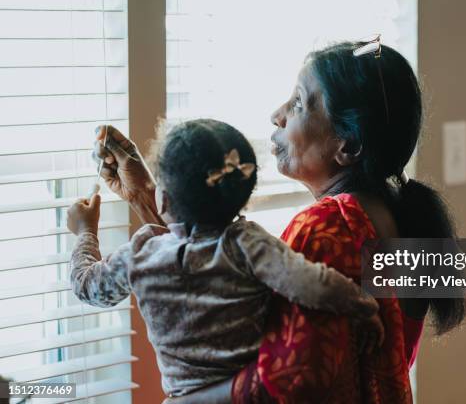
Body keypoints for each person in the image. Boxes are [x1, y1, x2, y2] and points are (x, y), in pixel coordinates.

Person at [94, 39, 466, 403]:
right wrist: (149, 195)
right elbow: (209, 276)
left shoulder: (327, 229)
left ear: (348, 146)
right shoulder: (393, 214)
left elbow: (283, 380)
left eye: (300, 103)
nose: (278, 113)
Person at [67, 119, 384, 398]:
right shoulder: (247, 245)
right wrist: (364, 307)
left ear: (162, 197)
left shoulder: (140, 255)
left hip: (188, 394)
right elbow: (315, 285)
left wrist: (85, 232)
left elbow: (87, 286)